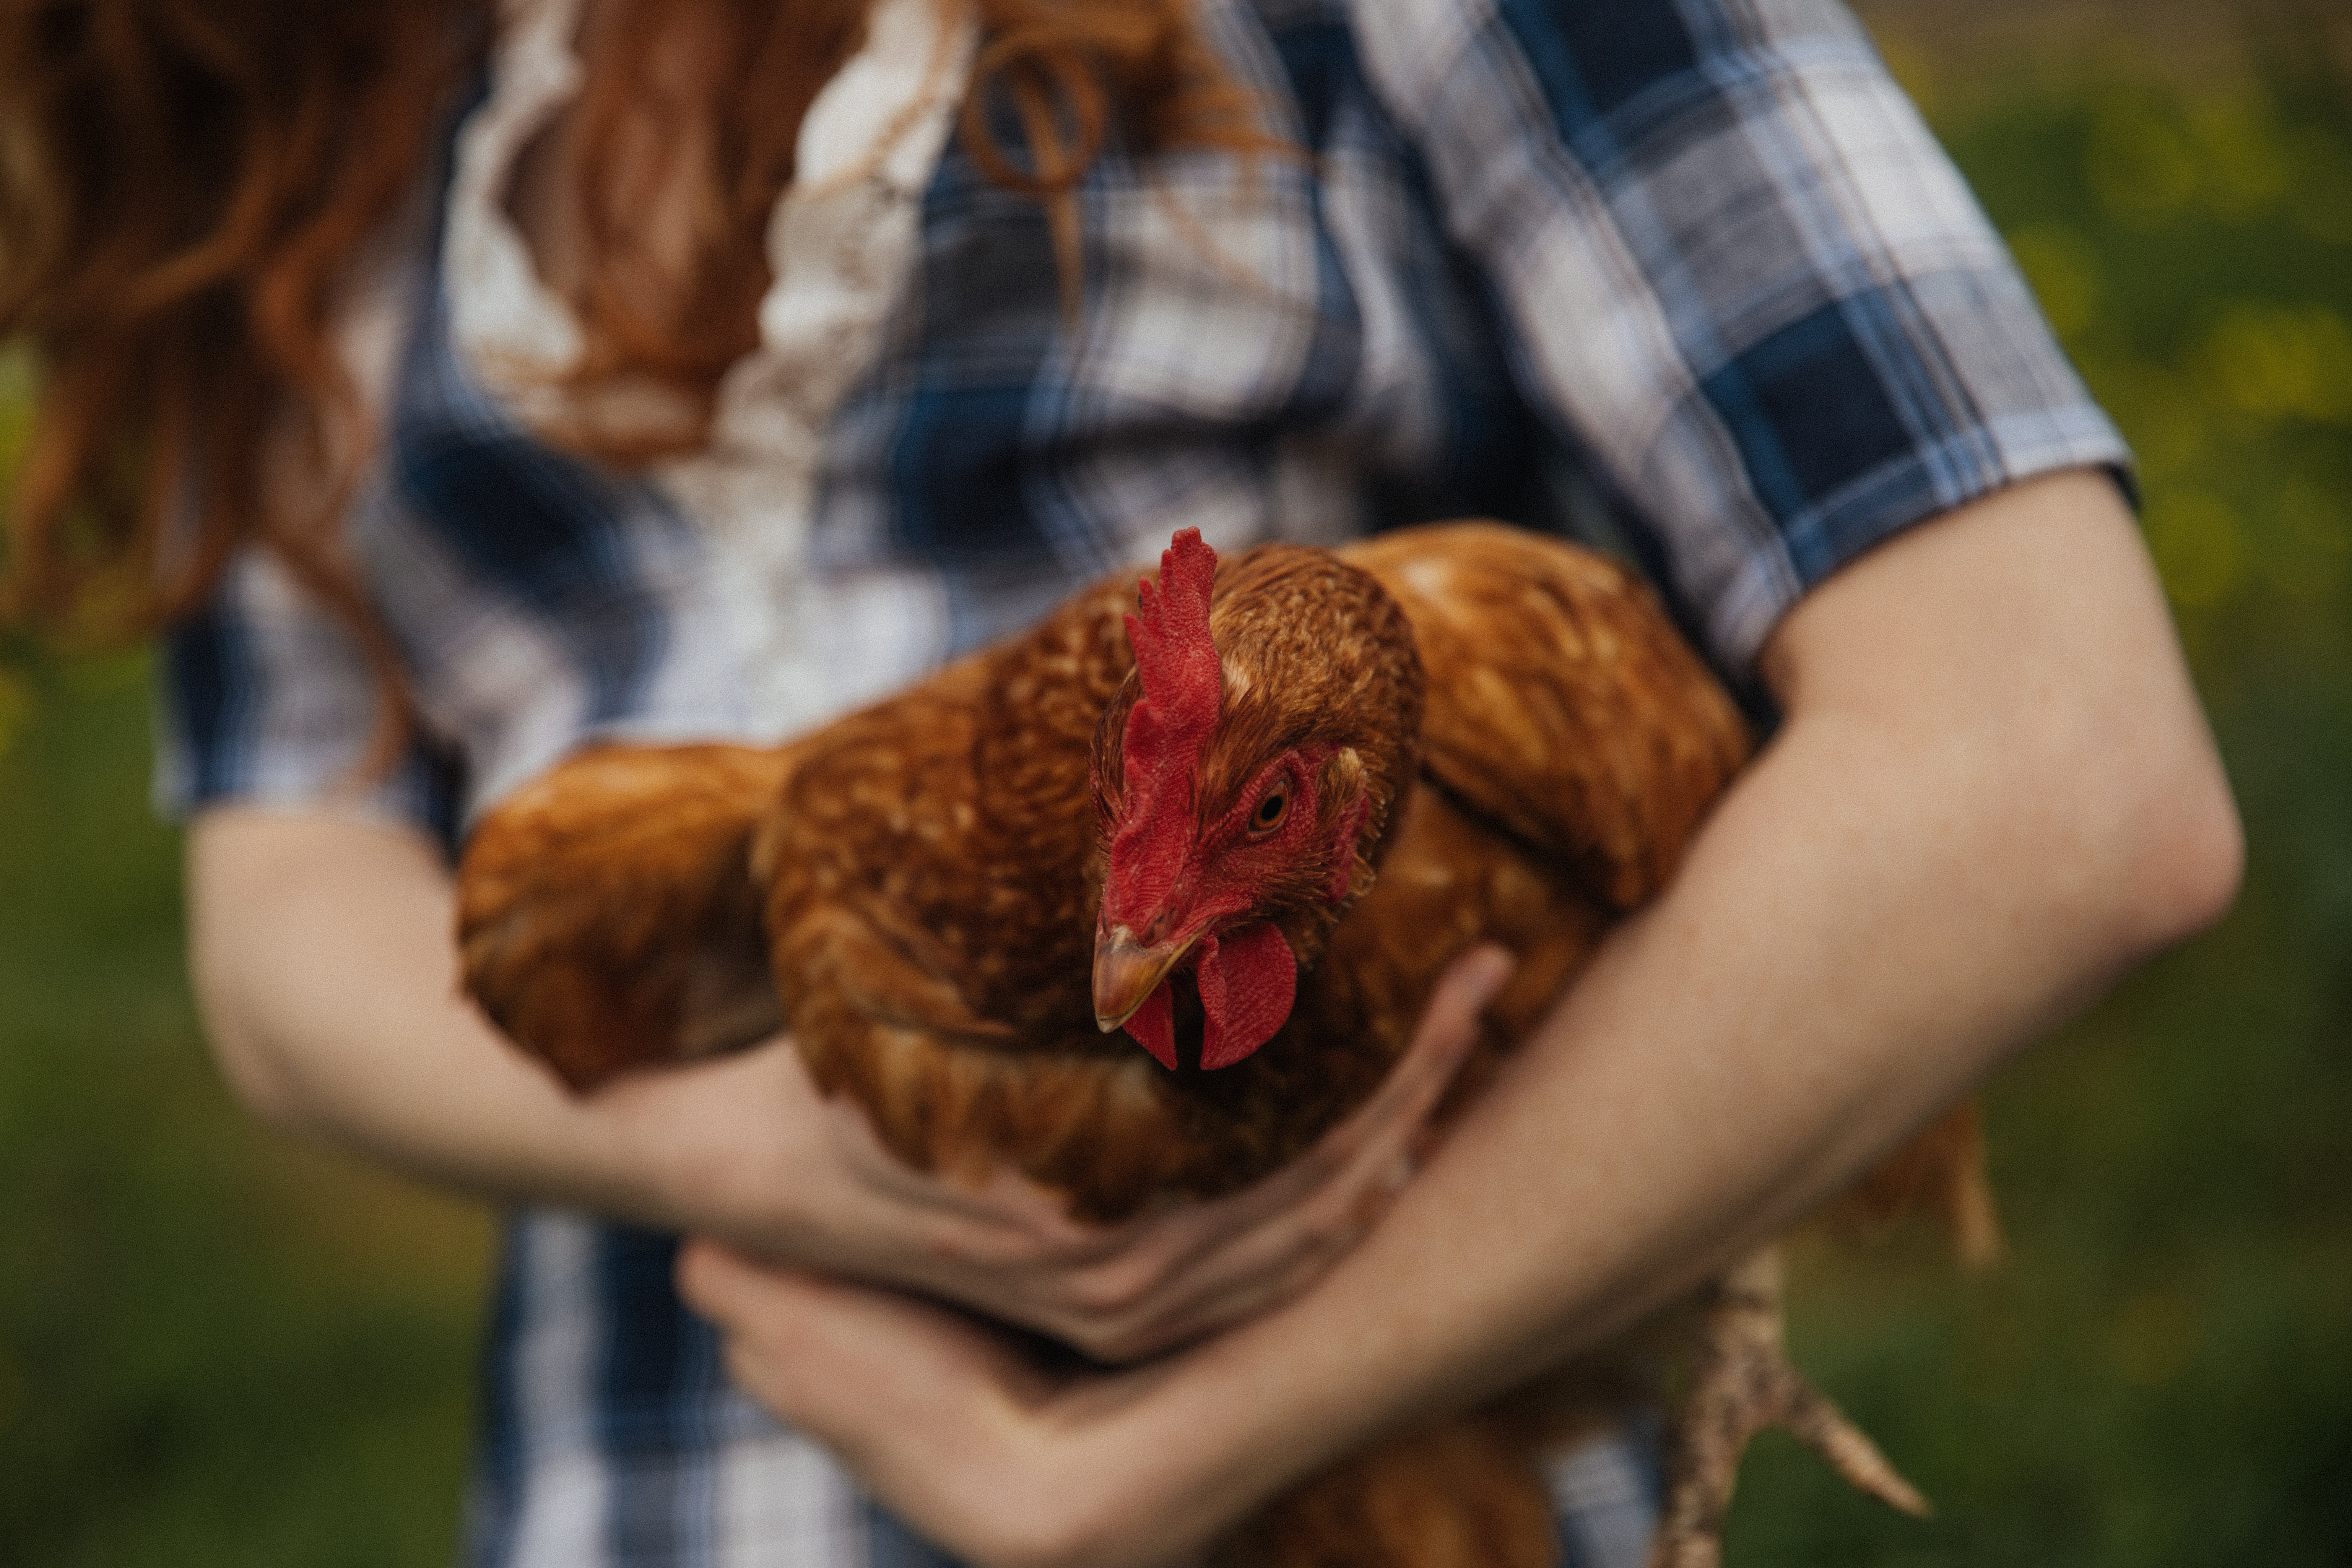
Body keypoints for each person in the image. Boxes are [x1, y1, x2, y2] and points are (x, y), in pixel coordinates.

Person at [0, 0, 2240, 1565]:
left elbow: (2045, 769)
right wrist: (768, 1144)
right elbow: (286, 911)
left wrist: (1145, 1456)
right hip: (660, 1484)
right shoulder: (281, 88)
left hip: (1388, 1464)